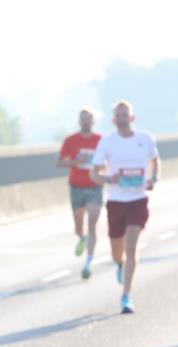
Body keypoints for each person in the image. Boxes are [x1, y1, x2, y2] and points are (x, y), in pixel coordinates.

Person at [90, 100, 160, 315]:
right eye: (118, 115)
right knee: (116, 251)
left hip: (138, 199)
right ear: (113, 119)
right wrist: (109, 178)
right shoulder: (107, 142)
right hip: (116, 201)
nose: (122, 119)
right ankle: (119, 264)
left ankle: (126, 295)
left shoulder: (145, 138)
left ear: (132, 117)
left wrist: (153, 178)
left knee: (132, 247)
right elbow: (94, 173)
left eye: (125, 115)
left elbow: (155, 160)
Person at [57, 108, 103, 279]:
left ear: (93, 121)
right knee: (79, 226)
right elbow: (59, 163)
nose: (86, 121)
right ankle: (82, 238)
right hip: (76, 186)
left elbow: (109, 161)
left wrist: (101, 167)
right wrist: (77, 161)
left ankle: (88, 262)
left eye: (88, 118)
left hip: (94, 186)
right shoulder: (71, 140)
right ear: (79, 121)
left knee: (92, 223)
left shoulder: (101, 140)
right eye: (83, 119)